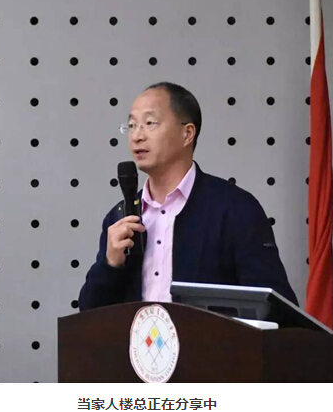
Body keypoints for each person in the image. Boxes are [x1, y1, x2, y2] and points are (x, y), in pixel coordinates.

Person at [78, 81, 298, 311]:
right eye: (132, 126)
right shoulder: (120, 218)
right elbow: (89, 314)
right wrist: (110, 264)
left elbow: (274, 309)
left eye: (150, 123)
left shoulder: (235, 209)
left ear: (187, 134)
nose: (137, 136)